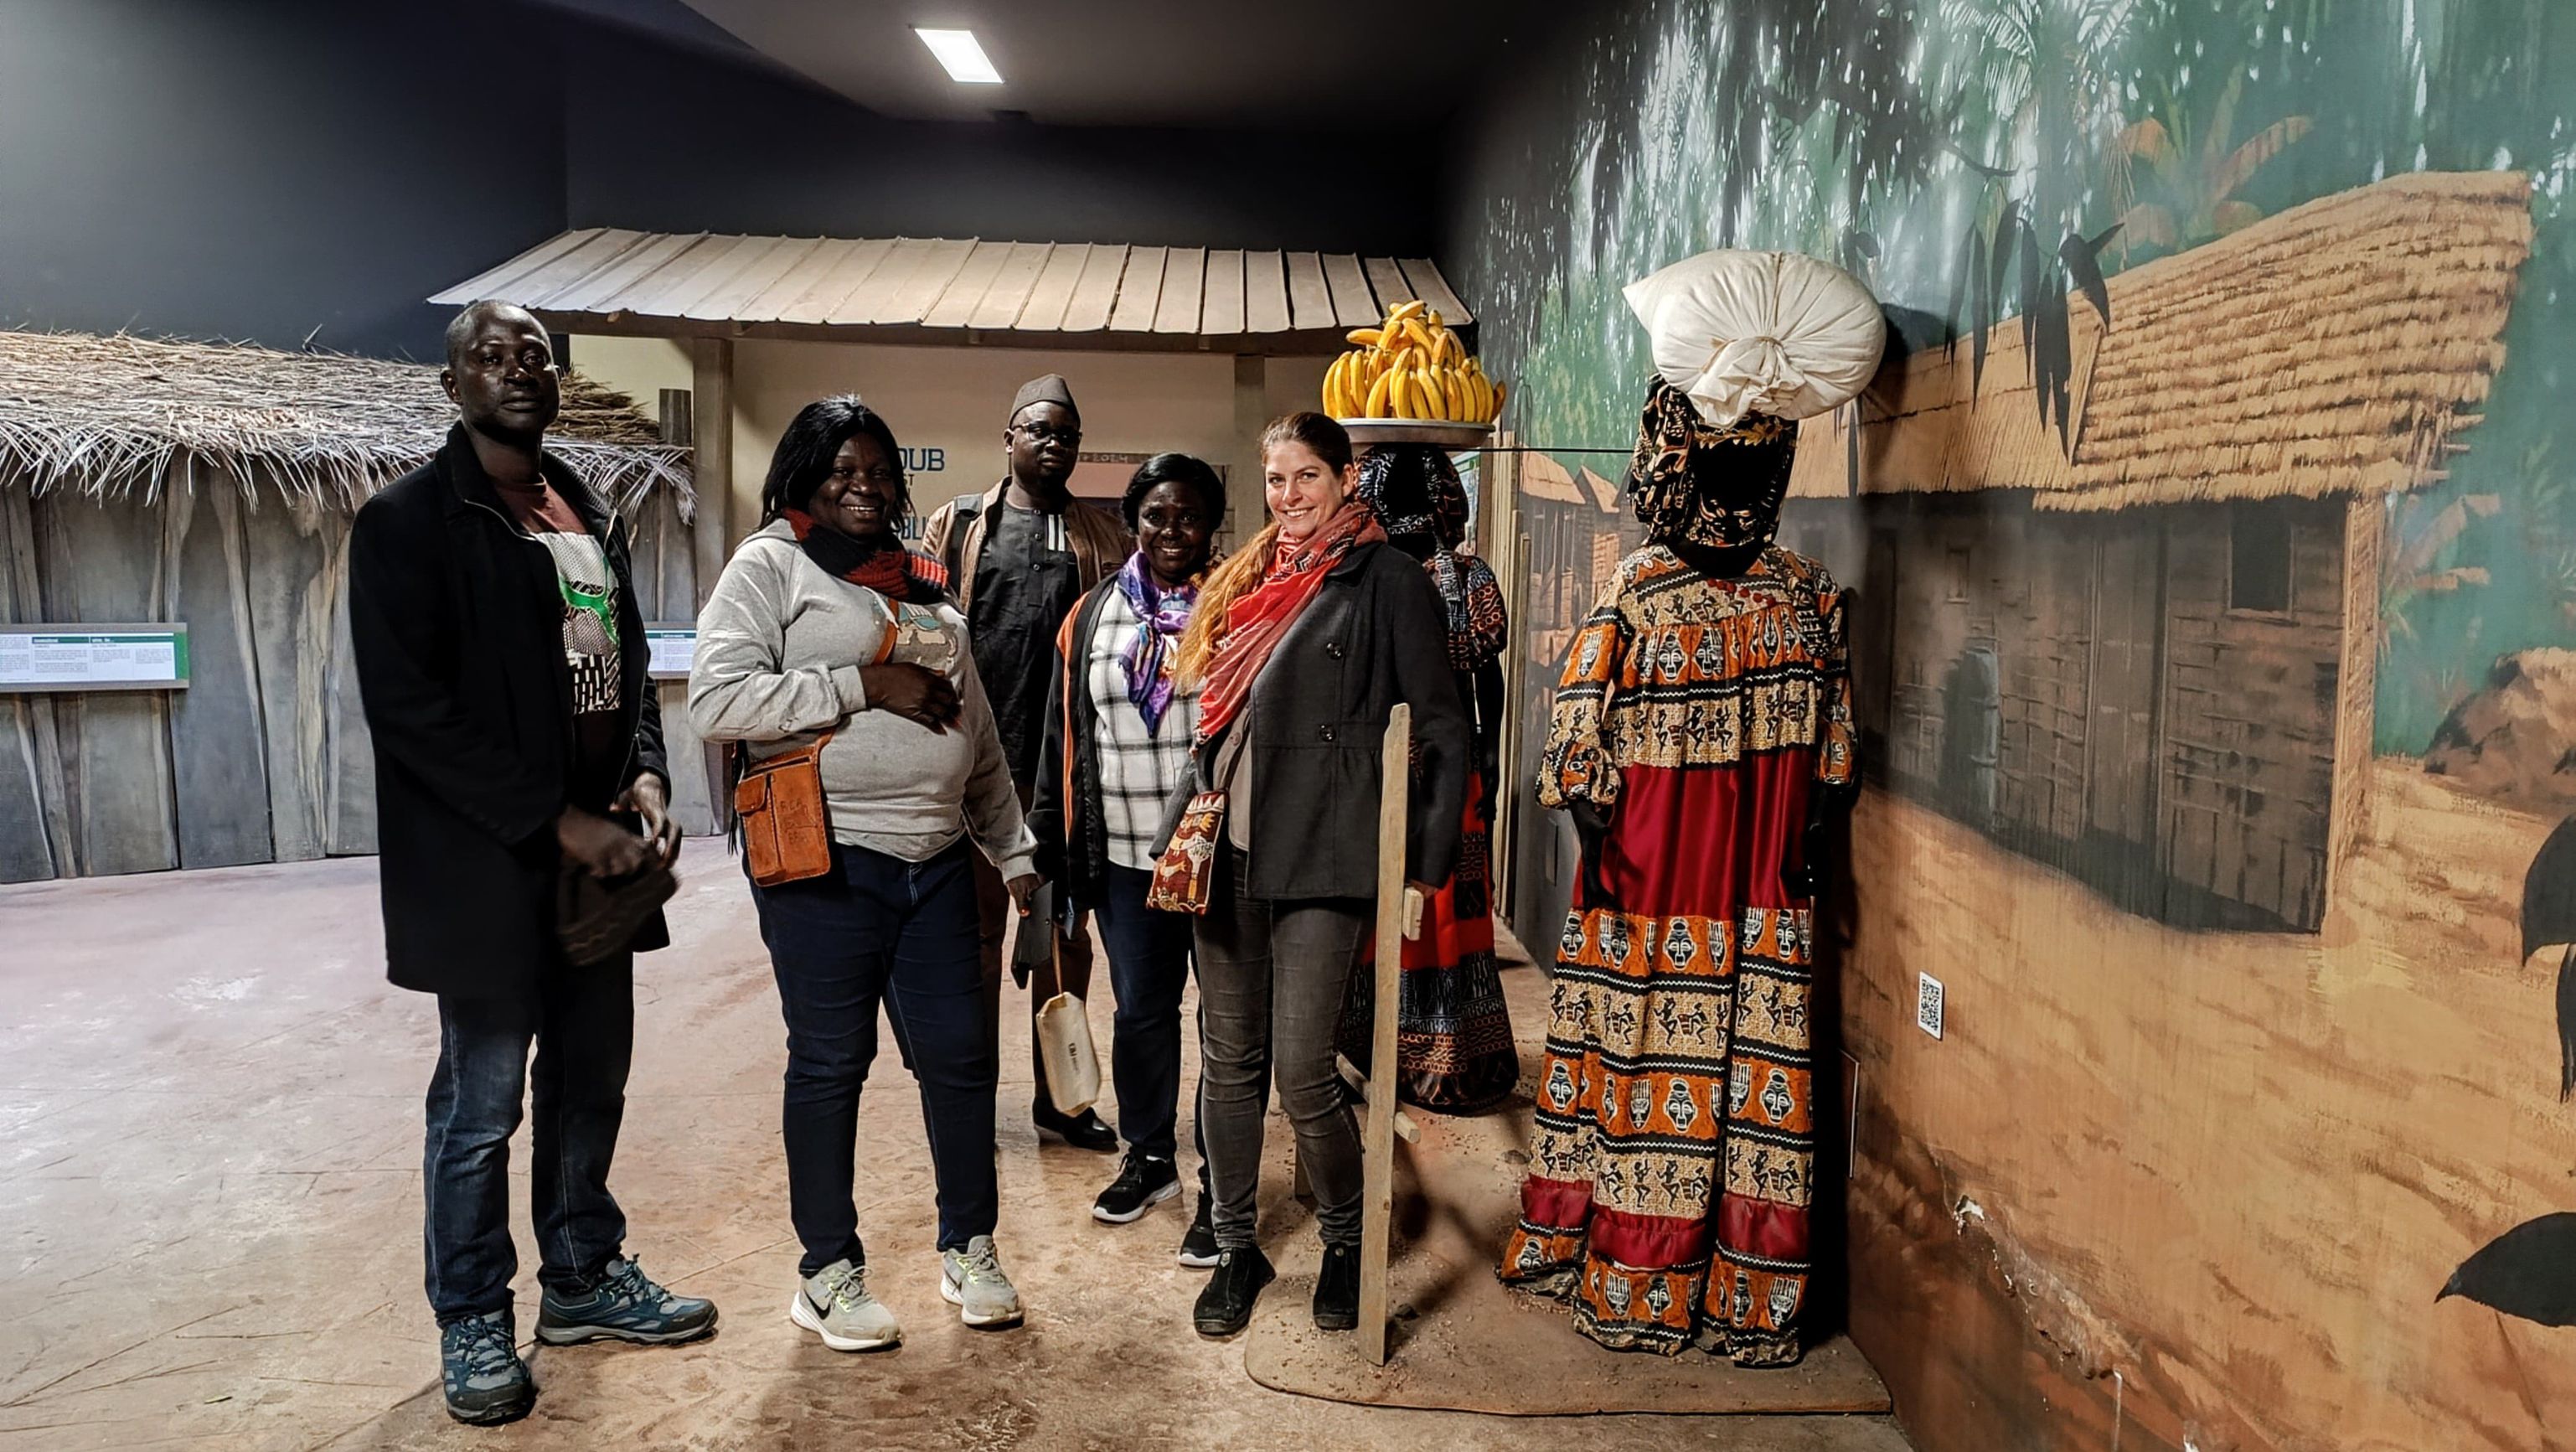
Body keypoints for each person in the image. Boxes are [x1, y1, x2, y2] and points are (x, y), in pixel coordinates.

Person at [348, 300, 715, 1427]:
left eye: (534, 357)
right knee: (483, 1101)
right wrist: (557, 822)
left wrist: (646, 772)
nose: (516, 370)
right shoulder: (408, 522)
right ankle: (471, 1312)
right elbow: (411, 712)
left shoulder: (585, 507)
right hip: (486, 860)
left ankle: (582, 1276)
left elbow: (627, 664)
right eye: (489, 356)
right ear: (454, 384)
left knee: (589, 1079)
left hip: (596, 851)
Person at [1498, 380, 1856, 1367]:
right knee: (1662, 1065)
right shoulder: (1648, 590)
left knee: (1730, 1073)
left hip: (1740, 884)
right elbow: (1576, 736)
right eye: (1722, 463)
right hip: (1668, 884)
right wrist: (1596, 815)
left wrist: (1812, 822)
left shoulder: (1799, 592)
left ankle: (1725, 1289)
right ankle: (1662, 1275)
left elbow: (1832, 749)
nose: (1740, 483)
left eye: (1757, 460)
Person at [689, 396, 1043, 1350]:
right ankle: (826, 1271)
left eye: (880, 472)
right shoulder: (770, 566)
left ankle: (969, 1245)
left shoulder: (923, 586)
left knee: (960, 1059)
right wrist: (864, 683)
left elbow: (979, 740)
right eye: (843, 471)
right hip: (823, 858)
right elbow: (717, 700)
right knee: (831, 1061)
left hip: (936, 858)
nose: (865, 487)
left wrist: (1013, 852)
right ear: (804, 476)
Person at [1164, 413, 1473, 1337]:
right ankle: (1235, 1246)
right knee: (1228, 1067)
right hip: (1228, 844)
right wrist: (1180, 823)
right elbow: (1215, 720)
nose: (1289, 495)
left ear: (1344, 478)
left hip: (1326, 852)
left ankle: (1345, 1236)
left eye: (1306, 476)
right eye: (1276, 478)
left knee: (1303, 1073)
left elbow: (1445, 730)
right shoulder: (1253, 572)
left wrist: (1423, 866)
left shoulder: (1387, 579)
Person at [922, 374, 1131, 1151]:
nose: (1053, 444)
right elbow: (922, 628)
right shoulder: (959, 524)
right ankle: (970, 1103)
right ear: (1008, 436)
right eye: (1039, 430)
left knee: (1062, 941)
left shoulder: (1100, 533)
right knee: (975, 943)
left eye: (1067, 435)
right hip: (978, 772)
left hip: (1064, 777)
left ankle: (1062, 1103)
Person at [1029, 453, 1228, 1264]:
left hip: (1217, 857)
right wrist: (1049, 849)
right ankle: (1150, 1158)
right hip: (1122, 858)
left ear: (1210, 526)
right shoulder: (1091, 615)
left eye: (1188, 516)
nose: (1171, 530)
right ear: (1132, 521)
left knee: (1226, 1023)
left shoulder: (1236, 606)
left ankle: (1224, 1181)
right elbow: (1063, 740)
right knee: (1142, 1012)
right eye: (1155, 515)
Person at [1347, 447, 1518, 1113]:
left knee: (1439, 904)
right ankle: (1393, 1050)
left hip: (1442, 767)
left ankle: (1429, 1053)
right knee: (1392, 905)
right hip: (1395, 765)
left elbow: (1483, 676)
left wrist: (1487, 757)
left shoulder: (1460, 577)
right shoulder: (1369, 571)